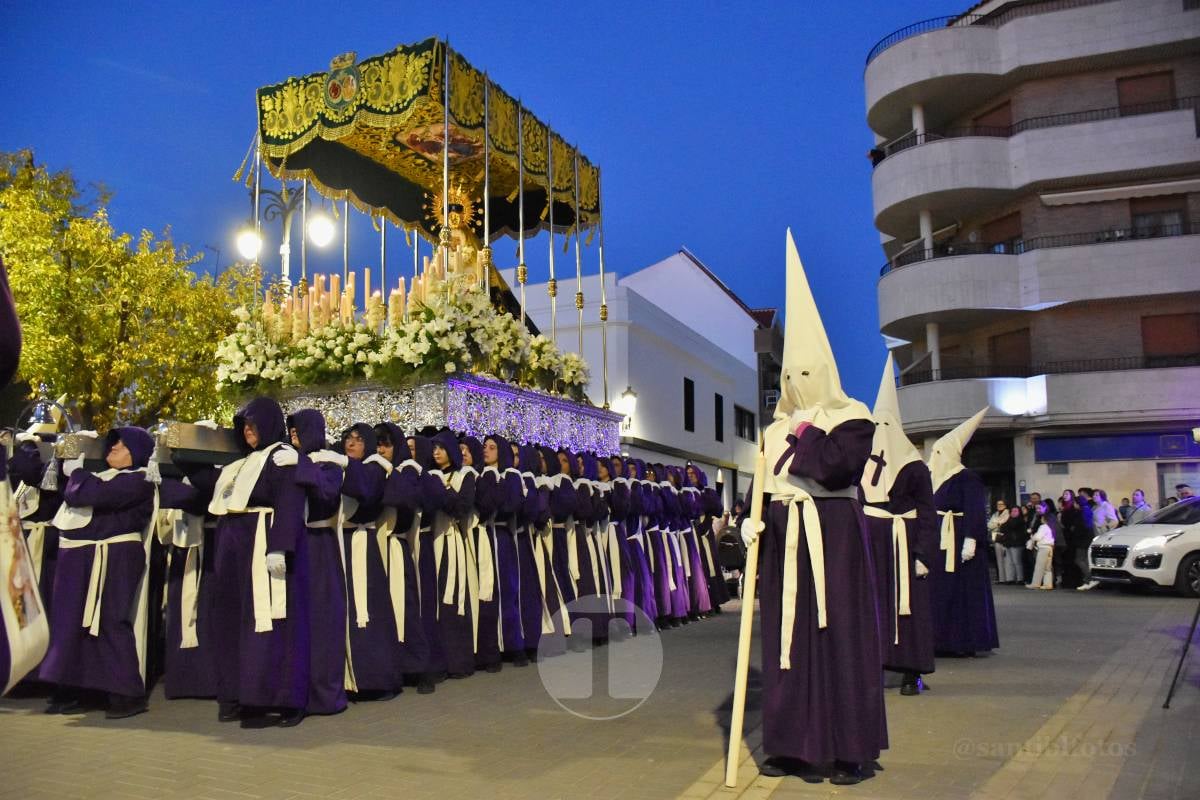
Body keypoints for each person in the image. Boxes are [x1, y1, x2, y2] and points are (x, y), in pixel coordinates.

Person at [739, 233, 885, 784]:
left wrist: (802, 433)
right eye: (790, 375)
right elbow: (766, 479)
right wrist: (753, 520)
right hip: (785, 548)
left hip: (836, 542)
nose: (798, 384)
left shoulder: (853, 415)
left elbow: (835, 467)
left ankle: (850, 750)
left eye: (807, 373)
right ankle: (792, 745)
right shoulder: (774, 429)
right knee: (786, 643)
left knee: (839, 639)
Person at [206, 397, 309, 727]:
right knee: (231, 620)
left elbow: (290, 502)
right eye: (244, 426)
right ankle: (235, 694)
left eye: (254, 425)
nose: (249, 431)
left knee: (272, 621)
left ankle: (281, 698)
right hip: (233, 546)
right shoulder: (239, 464)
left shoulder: (280, 458)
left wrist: (279, 546)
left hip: (264, 542)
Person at [42, 426, 157, 718]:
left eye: (121, 443)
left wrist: (77, 474)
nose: (113, 447)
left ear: (137, 451)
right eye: (112, 443)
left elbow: (89, 495)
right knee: (71, 624)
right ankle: (73, 688)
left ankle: (126, 693)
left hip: (114, 555)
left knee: (110, 621)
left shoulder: (139, 480)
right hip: (81, 555)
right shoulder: (104, 477)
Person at [859, 353, 938, 697]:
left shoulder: (904, 464)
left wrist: (921, 552)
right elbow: (925, 511)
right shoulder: (910, 463)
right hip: (887, 542)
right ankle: (887, 669)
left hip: (890, 543)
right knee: (881, 605)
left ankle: (906, 671)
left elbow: (926, 510)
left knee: (903, 606)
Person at [286, 411, 348, 714]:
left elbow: (326, 494)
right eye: (291, 432)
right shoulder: (288, 460)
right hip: (296, 546)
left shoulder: (330, 462)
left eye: (299, 431)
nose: (294, 436)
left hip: (320, 547)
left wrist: (300, 464)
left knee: (323, 622)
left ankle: (324, 695)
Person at [928, 407, 999, 657]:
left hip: (958, 541)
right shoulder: (936, 480)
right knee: (942, 590)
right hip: (941, 542)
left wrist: (970, 539)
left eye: (938, 452)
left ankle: (963, 640)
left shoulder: (966, 478)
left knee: (962, 591)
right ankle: (941, 639)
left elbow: (974, 510)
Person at [475, 434, 528, 666]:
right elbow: (482, 505)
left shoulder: (511, 476)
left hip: (503, 537)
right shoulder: (481, 475)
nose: (486, 450)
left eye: (492, 447)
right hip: (484, 535)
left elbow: (509, 505)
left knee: (507, 591)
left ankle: (513, 645)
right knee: (486, 593)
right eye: (484, 447)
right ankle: (490, 650)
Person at [1078, 490, 1118, 591]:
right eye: (1094, 495)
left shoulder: (1106, 506)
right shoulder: (1095, 507)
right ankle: (1093, 579)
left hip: (1102, 535)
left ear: (1102, 496)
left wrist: (1105, 528)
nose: (1094, 496)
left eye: (1097, 495)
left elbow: (1114, 520)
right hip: (1093, 535)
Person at [1026, 499, 1058, 590]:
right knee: (1047, 568)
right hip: (1050, 547)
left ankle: (1035, 583)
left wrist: (1032, 536)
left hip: (1043, 547)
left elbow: (1037, 537)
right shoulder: (1050, 527)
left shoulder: (1043, 526)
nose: (1037, 510)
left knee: (1039, 566)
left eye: (1039, 508)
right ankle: (1048, 584)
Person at [999, 507, 1026, 585]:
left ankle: (1020, 578)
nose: (1013, 512)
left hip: (1017, 543)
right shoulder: (1008, 520)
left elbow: (1013, 526)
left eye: (1015, 511)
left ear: (1019, 512)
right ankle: (1010, 578)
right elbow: (1002, 528)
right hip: (1008, 543)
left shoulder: (1020, 521)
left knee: (1017, 561)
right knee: (1009, 562)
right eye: (1012, 511)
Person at [987, 500, 1009, 584]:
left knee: (1006, 559)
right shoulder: (995, 514)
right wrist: (998, 523)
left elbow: (1003, 522)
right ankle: (1001, 578)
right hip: (995, 537)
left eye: (1001, 504)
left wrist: (995, 523)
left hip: (1004, 537)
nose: (999, 505)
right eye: (998, 504)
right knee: (998, 559)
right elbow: (989, 525)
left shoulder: (1007, 513)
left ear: (1005, 505)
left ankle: (1007, 577)